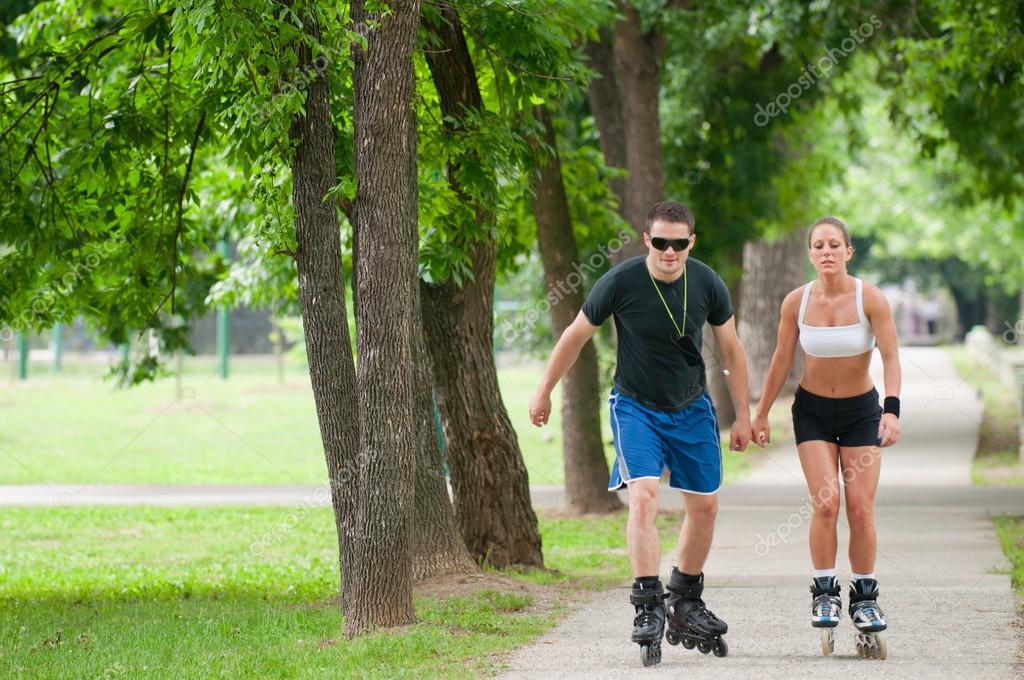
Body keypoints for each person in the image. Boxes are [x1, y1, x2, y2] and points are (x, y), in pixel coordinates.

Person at [528, 201, 758, 666]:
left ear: (691, 242)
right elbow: (575, 335)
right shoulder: (621, 281)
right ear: (646, 240)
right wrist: (544, 390)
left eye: (679, 243)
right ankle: (648, 602)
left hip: (692, 407)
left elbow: (731, 348)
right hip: (635, 406)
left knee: (706, 506)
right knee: (645, 495)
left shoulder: (708, 283)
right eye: (660, 242)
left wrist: (744, 415)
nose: (669, 251)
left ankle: (685, 598)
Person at [751, 216, 902, 659]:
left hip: (861, 413)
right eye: (819, 245)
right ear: (810, 253)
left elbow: (891, 355)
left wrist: (891, 412)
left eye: (835, 244)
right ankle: (823, 590)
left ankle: (866, 596)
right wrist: (760, 412)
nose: (827, 252)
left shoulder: (869, 298)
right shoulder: (796, 302)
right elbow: (781, 359)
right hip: (813, 411)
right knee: (825, 502)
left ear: (848, 251)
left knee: (859, 507)